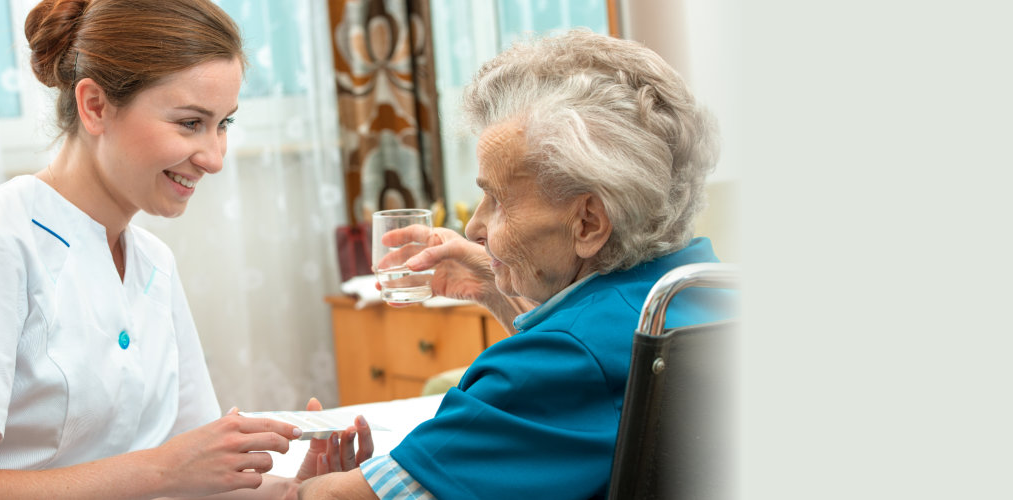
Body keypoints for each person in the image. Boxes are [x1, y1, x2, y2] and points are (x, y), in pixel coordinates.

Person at [0, 1, 371, 499]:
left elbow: (197, 474)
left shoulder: (153, 263)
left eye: (223, 123)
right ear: (95, 106)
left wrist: (295, 491)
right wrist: (162, 470)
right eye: (189, 123)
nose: (214, 158)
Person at [299, 30, 733, 500]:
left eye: (497, 200)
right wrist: (494, 286)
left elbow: (340, 499)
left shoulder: (563, 361)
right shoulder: (702, 295)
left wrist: (305, 486)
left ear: (588, 221)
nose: (474, 228)